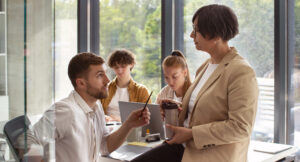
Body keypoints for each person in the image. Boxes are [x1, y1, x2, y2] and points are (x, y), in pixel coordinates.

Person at [132, 4, 258, 162]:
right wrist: (175, 109)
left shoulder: (241, 71)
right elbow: (199, 113)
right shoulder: (205, 67)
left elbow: (241, 128)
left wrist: (192, 134)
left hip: (210, 155)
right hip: (184, 148)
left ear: (216, 34)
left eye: (196, 30)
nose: (191, 35)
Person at [16, 52, 150, 162]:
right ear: (81, 83)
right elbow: (25, 140)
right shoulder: (66, 111)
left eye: (105, 74)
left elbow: (104, 146)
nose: (107, 81)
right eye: (99, 76)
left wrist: (128, 125)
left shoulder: (96, 105)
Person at [101, 49, 151, 122]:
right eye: (116, 67)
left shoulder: (141, 91)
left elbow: (146, 119)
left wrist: (117, 120)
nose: (119, 70)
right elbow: (96, 113)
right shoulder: (105, 89)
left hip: (130, 130)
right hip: (107, 129)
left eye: (123, 66)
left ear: (131, 64)